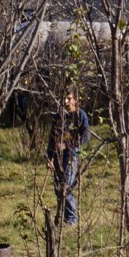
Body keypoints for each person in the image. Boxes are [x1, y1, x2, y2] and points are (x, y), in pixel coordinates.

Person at [47, 89, 90, 226]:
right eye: (64, 99)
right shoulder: (58, 116)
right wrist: (49, 157)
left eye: (69, 98)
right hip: (58, 155)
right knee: (58, 188)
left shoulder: (80, 115)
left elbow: (85, 136)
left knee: (67, 186)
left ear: (75, 99)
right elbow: (52, 138)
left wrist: (67, 145)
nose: (65, 102)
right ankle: (62, 218)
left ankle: (71, 220)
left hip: (71, 154)